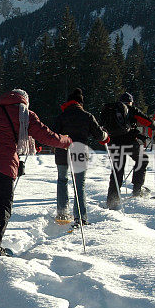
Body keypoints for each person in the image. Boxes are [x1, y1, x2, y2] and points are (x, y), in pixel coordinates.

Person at [0, 89, 71, 259]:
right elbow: (47, 136)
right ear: (24, 101)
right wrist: (67, 141)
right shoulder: (26, 115)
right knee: (2, 205)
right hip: (2, 164)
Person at [52, 88, 109, 225]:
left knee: (62, 180)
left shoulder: (62, 116)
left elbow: (53, 134)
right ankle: (80, 217)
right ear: (80, 103)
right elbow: (99, 136)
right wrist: (105, 136)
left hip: (62, 152)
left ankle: (62, 212)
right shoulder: (87, 116)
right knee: (79, 185)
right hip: (79, 152)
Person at [105, 92, 155, 208]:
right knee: (143, 159)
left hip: (113, 143)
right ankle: (137, 190)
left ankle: (112, 201)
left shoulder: (111, 110)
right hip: (128, 143)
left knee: (117, 171)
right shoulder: (131, 109)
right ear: (131, 102)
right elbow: (148, 122)